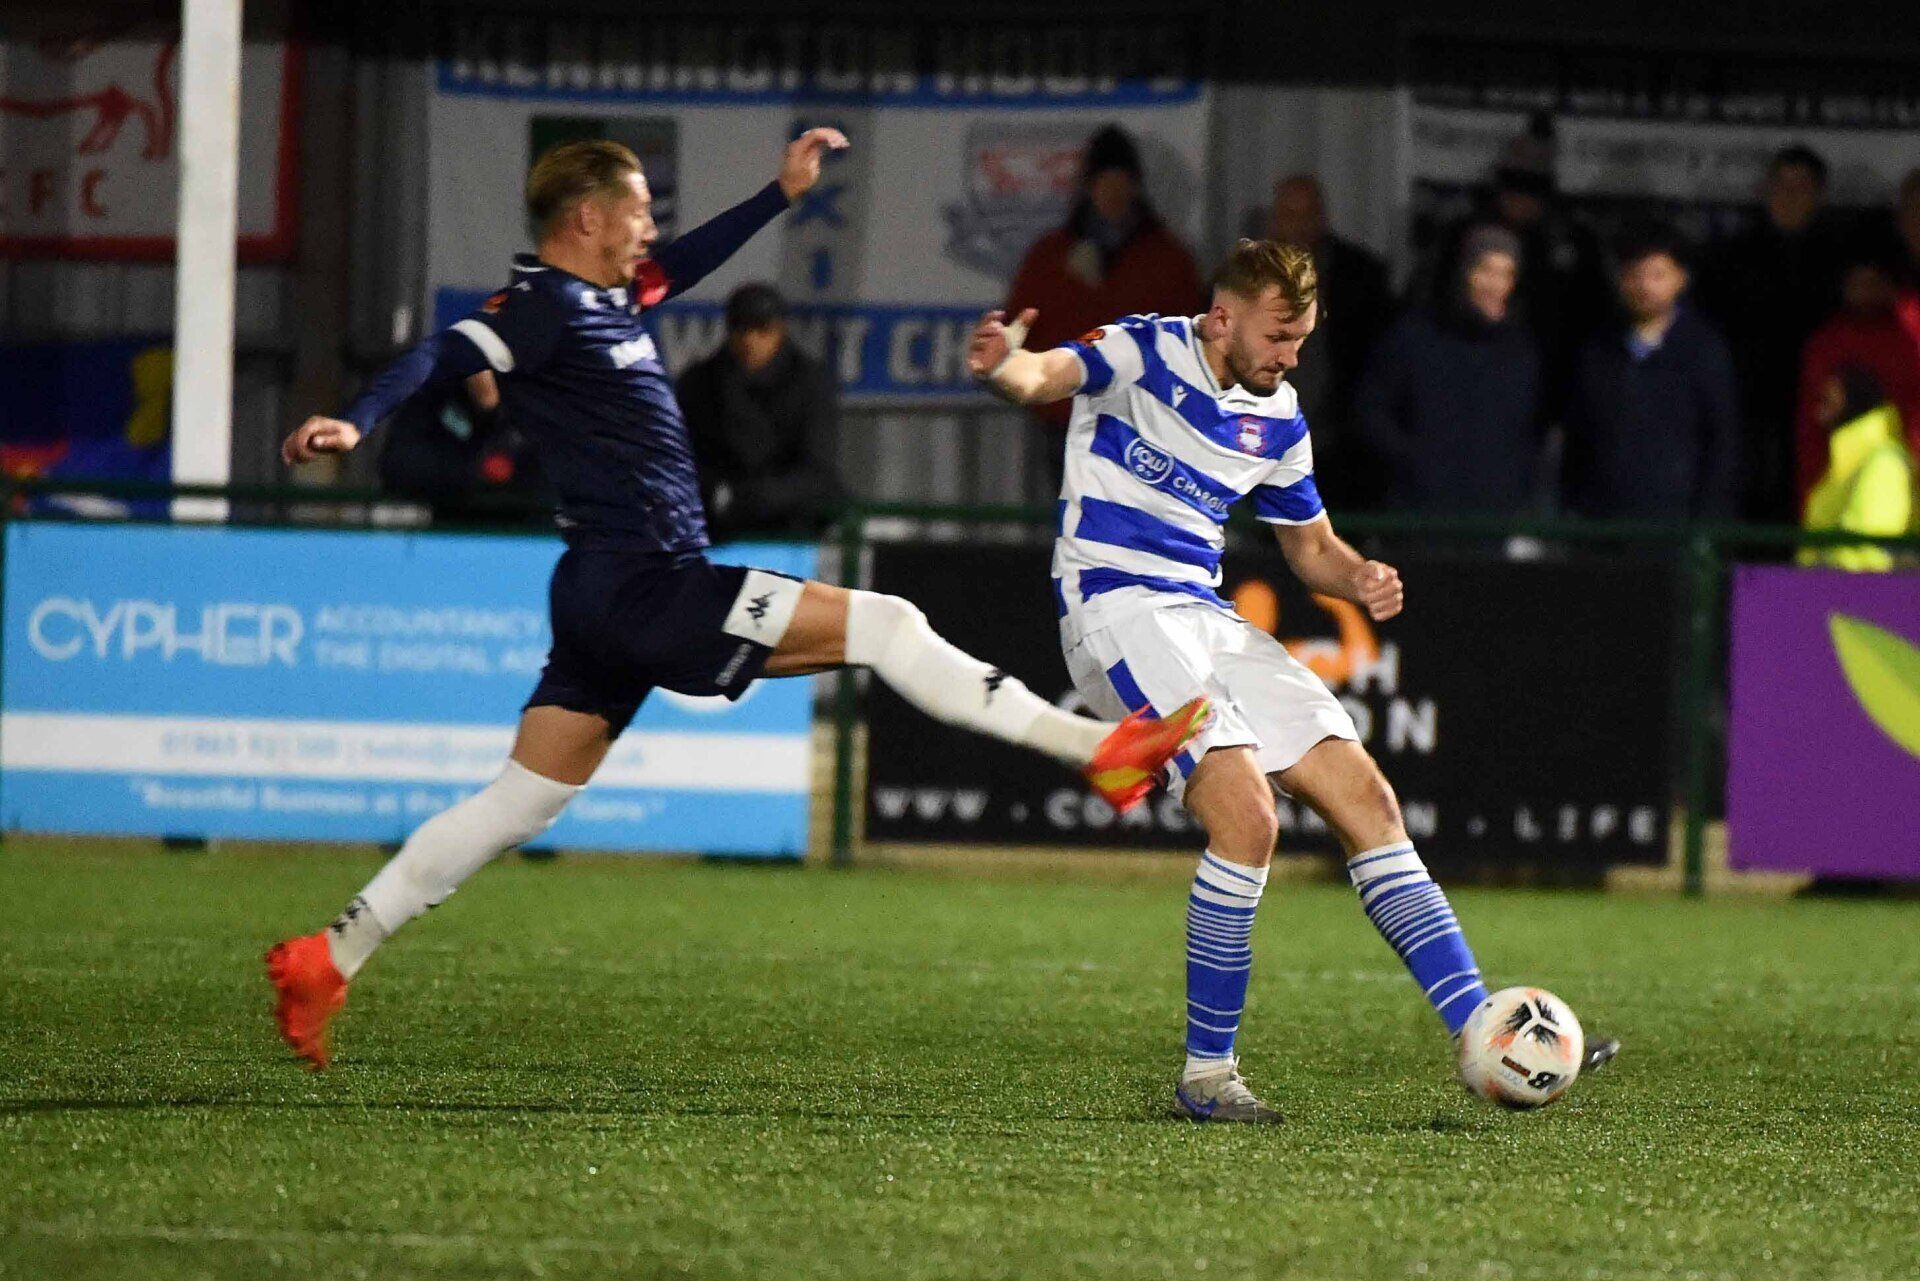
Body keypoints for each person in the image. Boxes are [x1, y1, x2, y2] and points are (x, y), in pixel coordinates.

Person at [265, 132, 1208, 1070]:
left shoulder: (618, 294)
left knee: (521, 801)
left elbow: (685, 261)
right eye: (638, 210)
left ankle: (328, 956)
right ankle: (1097, 751)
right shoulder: (542, 308)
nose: (651, 227)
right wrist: (356, 418)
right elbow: (439, 352)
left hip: (605, 588)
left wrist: (780, 193)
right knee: (886, 624)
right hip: (651, 583)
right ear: (587, 217)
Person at [967, 239, 1617, 1123]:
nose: (1290, 357)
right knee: (1247, 815)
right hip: (1113, 607)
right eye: (1278, 337)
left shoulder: (1277, 415)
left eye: (1302, 340)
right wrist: (1002, 365)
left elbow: (1311, 549)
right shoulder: (1143, 348)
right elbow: (1044, 375)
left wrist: (1360, 576)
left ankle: (1484, 1029)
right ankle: (1207, 1077)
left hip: (1201, 613)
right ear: (1222, 318)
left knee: (1368, 799)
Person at [1005, 124, 1205, 490]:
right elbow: (1020, 332)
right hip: (1066, 422)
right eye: (1104, 183)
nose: (1113, 194)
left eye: (1121, 183)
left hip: (1144, 425)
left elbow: (1190, 342)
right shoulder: (1050, 257)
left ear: (1136, 188)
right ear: (1088, 187)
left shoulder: (1169, 260)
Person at [1411, 120, 1610, 421]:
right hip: (1468, 378)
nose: (1520, 199)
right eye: (1514, 185)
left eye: (1532, 188)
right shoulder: (1465, 236)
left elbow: (1594, 319)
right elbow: (1428, 303)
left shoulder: (1572, 242)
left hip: (1550, 388)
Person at [1697, 145, 1849, 523]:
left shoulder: (1839, 260)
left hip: (1816, 409)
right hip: (1747, 406)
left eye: (1801, 186)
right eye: (1781, 185)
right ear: (1766, 190)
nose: (1789, 196)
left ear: (1820, 195)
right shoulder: (1732, 257)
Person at [1356, 225, 1543, 515]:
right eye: (1486, 270)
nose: (1495, 285)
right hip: (1420, 514)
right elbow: (1372, 411)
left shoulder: (1521, 350)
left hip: (1496, 516)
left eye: (1506, 274)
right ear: (1464, 272)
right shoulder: (1414, 338)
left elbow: (1527, 433)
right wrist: (1417, 462)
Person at [1564, 226, 1741, 520]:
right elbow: (1578, 439)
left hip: (1675, 523)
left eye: (1658, 275)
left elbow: (1722, 442)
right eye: (1634, 275)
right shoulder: (1599, 350)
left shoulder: (1704, 351)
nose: (1645, 286)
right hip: (1602, 522)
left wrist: (1707, 523)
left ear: (1681, 279)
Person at [1262, 174, 1395, 508]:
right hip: (1260, 446)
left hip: (1340, 452)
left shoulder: (1360, 279)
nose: (1297, 227)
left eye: (1305, 215)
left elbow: (1380, 369)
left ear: (1322, 218)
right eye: (1288, 216)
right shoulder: (1245, 278)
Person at [676, 283, 842, 539]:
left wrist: (761, 496)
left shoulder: (810, 382)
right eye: (741, 329)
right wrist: (721, 494)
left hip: (796, 526)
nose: (750, 340)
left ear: (780, 330)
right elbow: (684, 460)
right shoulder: (700, 383)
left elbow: (817, 469)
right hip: (717, 527)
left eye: (762, 329)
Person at [1792, 252, 1920, 509]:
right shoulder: (1826, 342)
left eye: (1871, 282)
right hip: (1830, 467)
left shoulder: (1906, 336)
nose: (1863, 292)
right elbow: (1809, 428)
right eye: (1856, 283)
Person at [376, 370, 548, 523]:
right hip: (448, 528)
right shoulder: (435, 389)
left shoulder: (539, 393)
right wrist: (471, 471)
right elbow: (398, 464)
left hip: (525, 532)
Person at [1797, 366, 1916, 572]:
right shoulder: (1842, 465)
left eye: (1828, 398)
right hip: (1821, 587)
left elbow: (1866, 552)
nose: (1818, 409)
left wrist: (1812, 578)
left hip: (1852, 590)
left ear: (1856, 398)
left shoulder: (1884, 462)